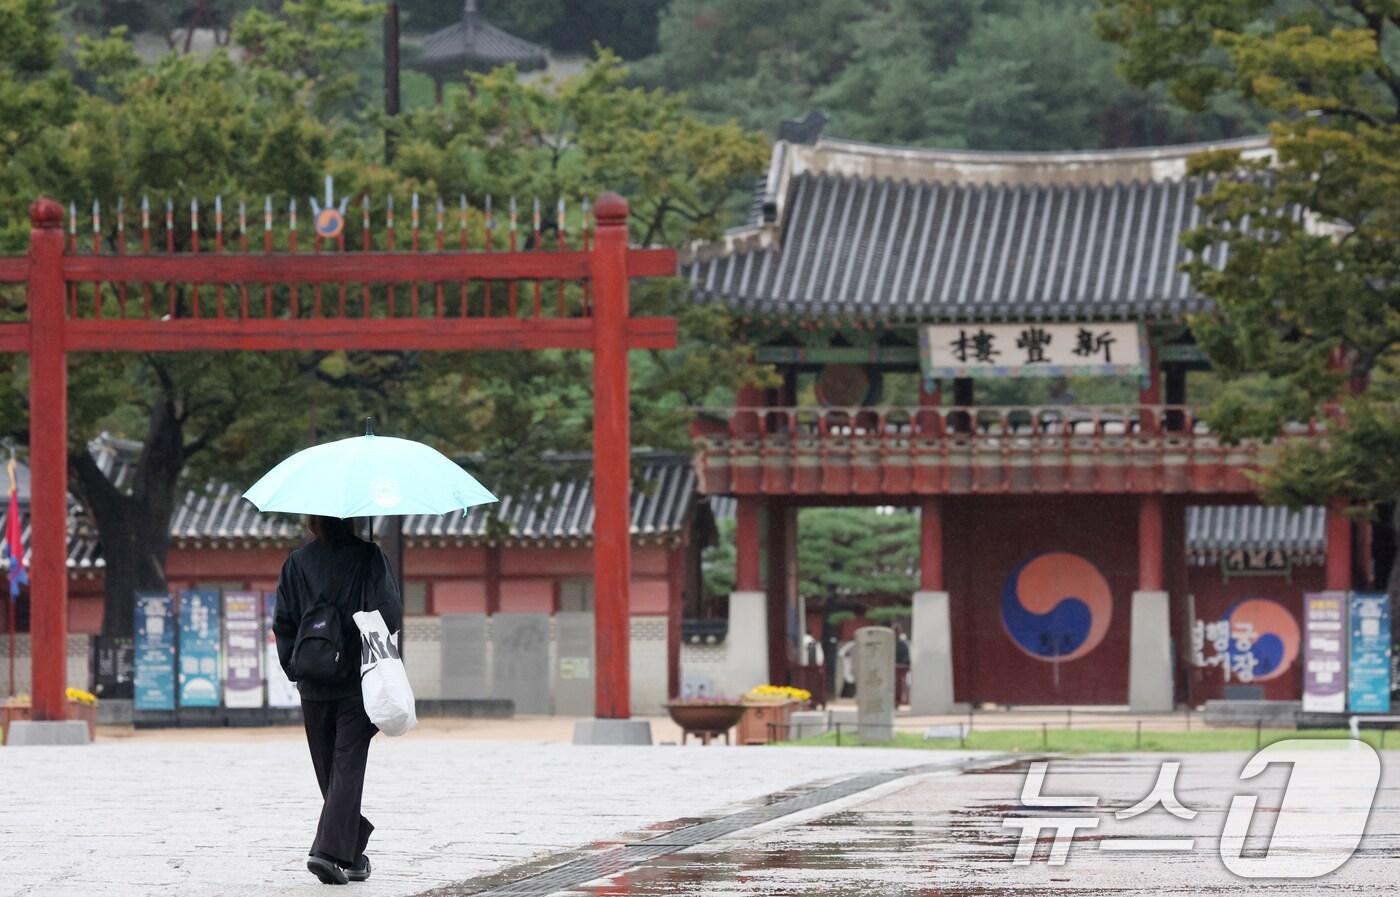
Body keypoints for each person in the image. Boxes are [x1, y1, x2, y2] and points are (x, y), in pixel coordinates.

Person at [273, 515, 403, 885]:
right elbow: (389, 614)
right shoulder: (369, 557)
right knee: (346, 766)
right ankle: (328, 853)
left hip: (312, 681)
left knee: (329, 770)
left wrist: (297, 666)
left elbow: (284, 620)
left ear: (312, 521)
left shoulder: (297, 562)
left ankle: (354, 851)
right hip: (356, 681)